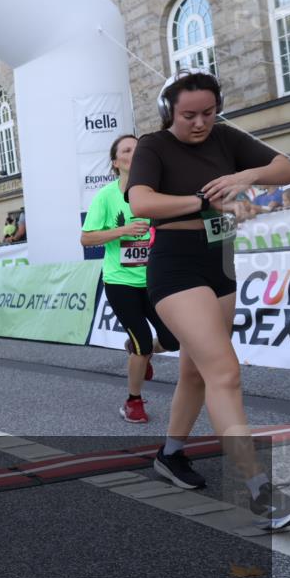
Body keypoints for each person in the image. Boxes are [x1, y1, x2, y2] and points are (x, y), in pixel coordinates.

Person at [127, 69, 290, 529]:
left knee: (196, 371)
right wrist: (204, 200)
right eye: (187, 115)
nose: (199, 123)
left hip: (220, 264)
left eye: (208, 113)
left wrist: (248, 175)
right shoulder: (153, 145)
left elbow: (287, 167)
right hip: (175, 267)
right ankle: (259, 490)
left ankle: (171, 454)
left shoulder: (225, 137)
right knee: (225, 371)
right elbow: (141, 203)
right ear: (168, 112)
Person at [81, 134, 180, 424]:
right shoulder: (106, 196)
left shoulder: (154, 193)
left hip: (153, 279)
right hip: (120, 282)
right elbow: (86, 238)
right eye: (127, 150)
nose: (134, 153)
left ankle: (141, 353)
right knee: (143, 344)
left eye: (138, 148)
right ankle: (133, 401)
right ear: (116, 162)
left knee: (173, 340)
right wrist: (122, 231)